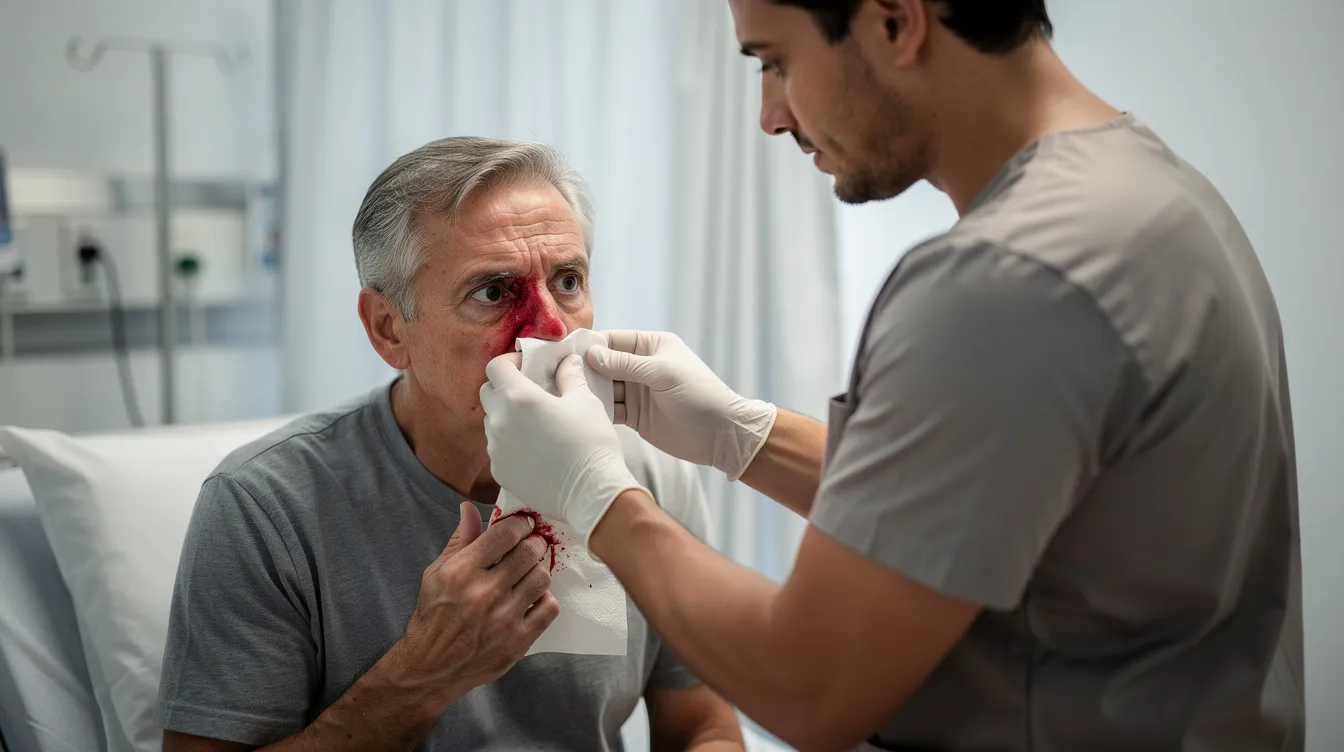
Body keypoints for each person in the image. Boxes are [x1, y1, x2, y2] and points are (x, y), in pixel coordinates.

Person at [478, 1, 1305, 750]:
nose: (771, 115)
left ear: (895, 22)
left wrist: (599, 497)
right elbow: (988, 503)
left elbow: (810, 686)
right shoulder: (1150, 191)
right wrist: (744, 435)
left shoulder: (1005, 280)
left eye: (776, 62)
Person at [157, 137, 744, 752]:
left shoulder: (650, 470)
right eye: (493, 292)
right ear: (388, 329)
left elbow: (704, 726)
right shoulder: (265, 509)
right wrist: (424, 673)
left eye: (568, 281)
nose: (551, 328)